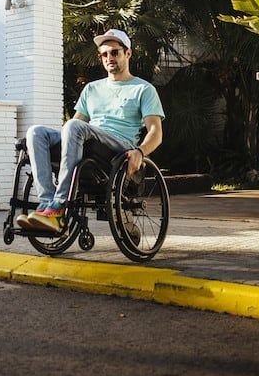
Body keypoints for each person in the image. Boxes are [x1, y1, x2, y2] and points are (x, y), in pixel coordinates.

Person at [17, 28, 164, 233]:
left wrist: (140, 152)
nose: (109, 58)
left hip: (119, 147)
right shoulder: (92, 89)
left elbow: (156, 132)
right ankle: (47, 205)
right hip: (89, 140)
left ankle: (59, 207)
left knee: (73, 126)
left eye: (114, 52)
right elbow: (74, 127)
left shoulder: (143, 89)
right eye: (104, 54)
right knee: (35, 132)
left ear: (128, 53)